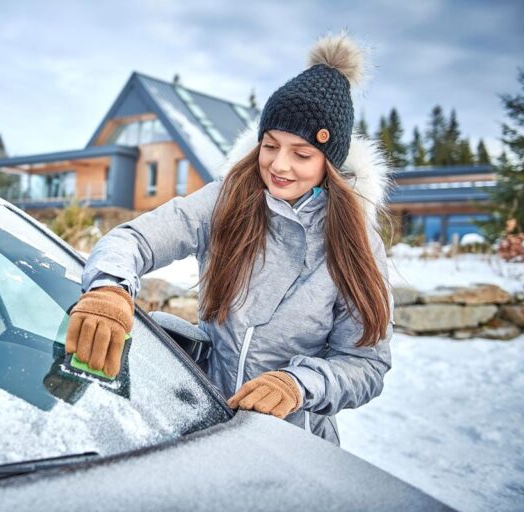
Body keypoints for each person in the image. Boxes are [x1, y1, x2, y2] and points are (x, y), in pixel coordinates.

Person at [65, 32, 393, 446]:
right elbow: (135, 239)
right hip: (204, 424)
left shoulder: (355, 241)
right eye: (270, 145)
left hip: (292, 444)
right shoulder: (226, 201)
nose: (280, 165)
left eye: (302, 154)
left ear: (331, 162)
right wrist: (109, 289)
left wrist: (299, 384)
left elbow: (365, 364)